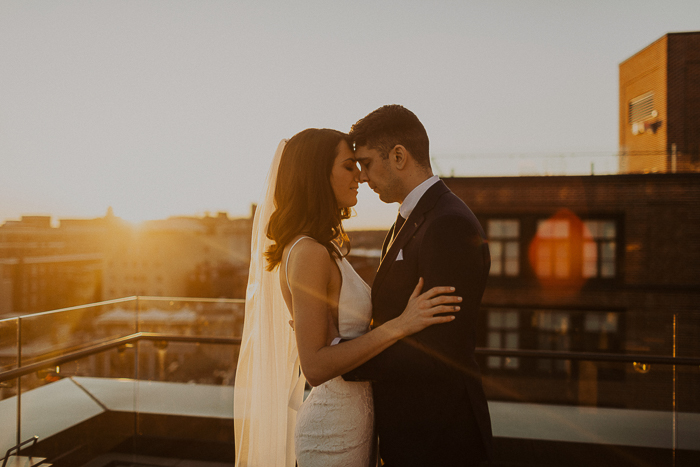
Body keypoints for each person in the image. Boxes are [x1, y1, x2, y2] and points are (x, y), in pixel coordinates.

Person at [233, 128, 462, 467]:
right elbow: (315, 365)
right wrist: (401, 325)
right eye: (349, 166)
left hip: (356, 422)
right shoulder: (309, 252)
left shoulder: (321, 248)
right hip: (334, 431)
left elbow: (335, 336)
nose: (360, 176)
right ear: (317, 176)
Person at [343, 105, 494, 466]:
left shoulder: (448, 224)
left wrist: (345, 359)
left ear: (398, 156)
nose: (362, 177)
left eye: (366, 163)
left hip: (441, 439)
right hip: (414, 432)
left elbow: (439, 349)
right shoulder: (411, 218)